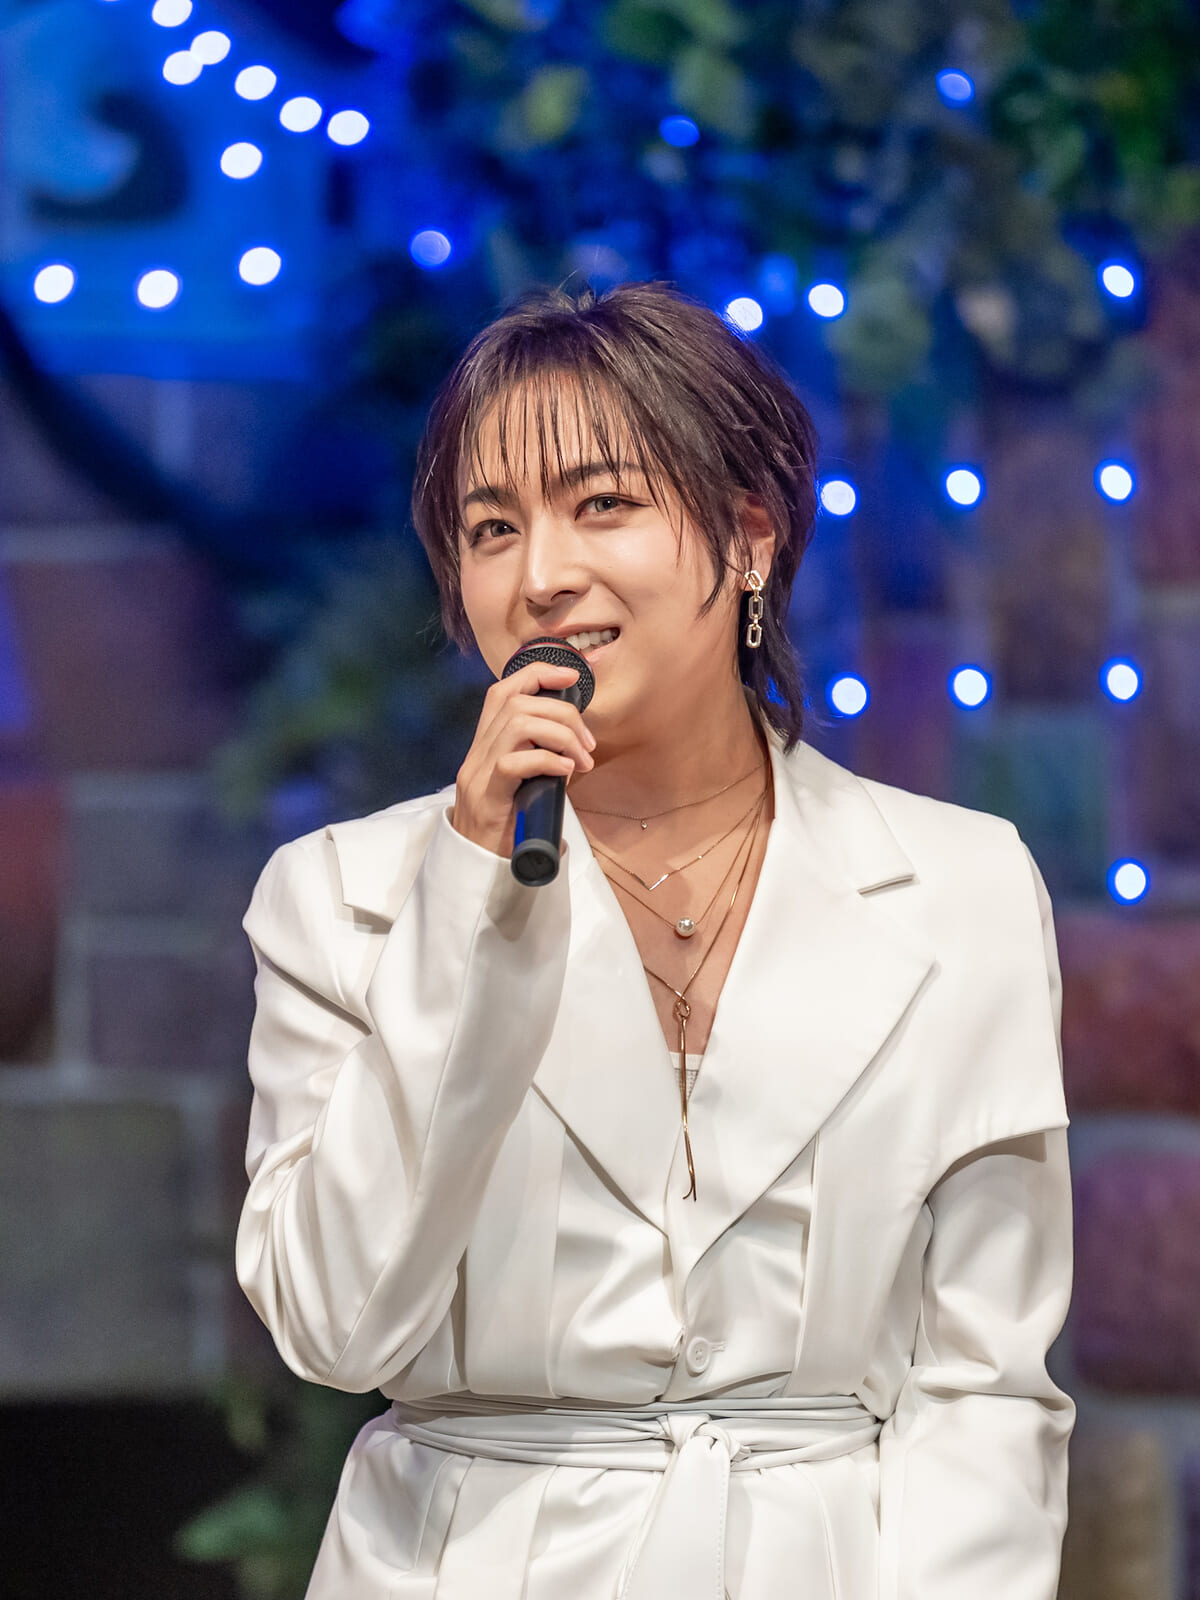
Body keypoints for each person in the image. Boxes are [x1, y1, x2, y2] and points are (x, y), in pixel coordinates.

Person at [235, 281, 1074, 1600]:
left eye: (603, 504)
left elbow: (986, 1383)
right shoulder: (340, 897)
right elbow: (336, 1324)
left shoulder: (962, 888)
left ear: (748, 538)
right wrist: (469, 897)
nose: (542, 576)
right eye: (492, 528)